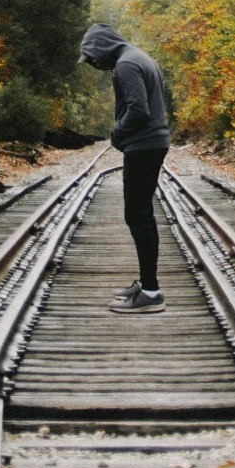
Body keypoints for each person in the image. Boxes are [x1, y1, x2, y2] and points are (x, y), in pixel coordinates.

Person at [79, 22, 170, 312]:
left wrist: (118, 132)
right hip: (151, 143)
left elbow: (139, 110)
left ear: (101, 47)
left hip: (144, 145)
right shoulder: (138, 56)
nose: (95, 65)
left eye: (93, 59)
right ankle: (145, 284)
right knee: (141, 214)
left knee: (138, 215)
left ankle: (151, 293)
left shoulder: (126, 65)